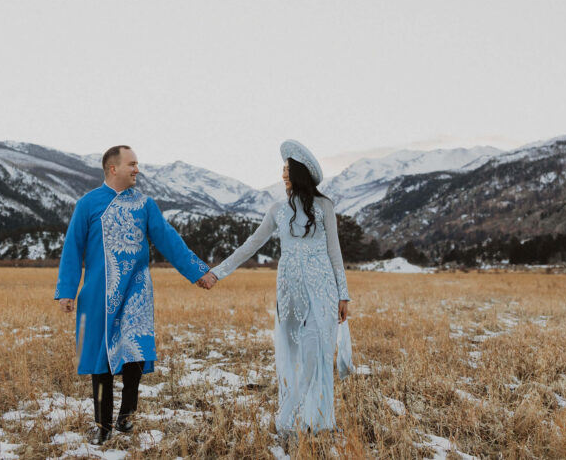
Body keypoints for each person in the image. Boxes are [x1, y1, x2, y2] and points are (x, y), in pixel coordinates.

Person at [55, 145, 212, 445]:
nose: (137, 169)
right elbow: (72, 249)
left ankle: (127, 415)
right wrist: (67, 290)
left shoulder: (145, 205)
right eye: (132, 164)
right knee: (98, 361)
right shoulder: (87, 204)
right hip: (98, 292)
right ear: (113, 168)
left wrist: (198, 272)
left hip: (137, 290)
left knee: (135, 351)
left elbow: (169, 241)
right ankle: (102, 425)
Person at [199, 139, 350, 435]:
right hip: (290, 295)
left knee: (315, 356)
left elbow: (335, 251)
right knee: (294, 357)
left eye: (287, 169)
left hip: (323, 293)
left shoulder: (324, 207)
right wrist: (217, 273)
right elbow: (250, 245)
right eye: (282, 169)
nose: (282, 174)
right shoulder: (277, 211)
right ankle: (294, 418)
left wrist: (343, 294)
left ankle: (307, 420)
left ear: (299, 173)